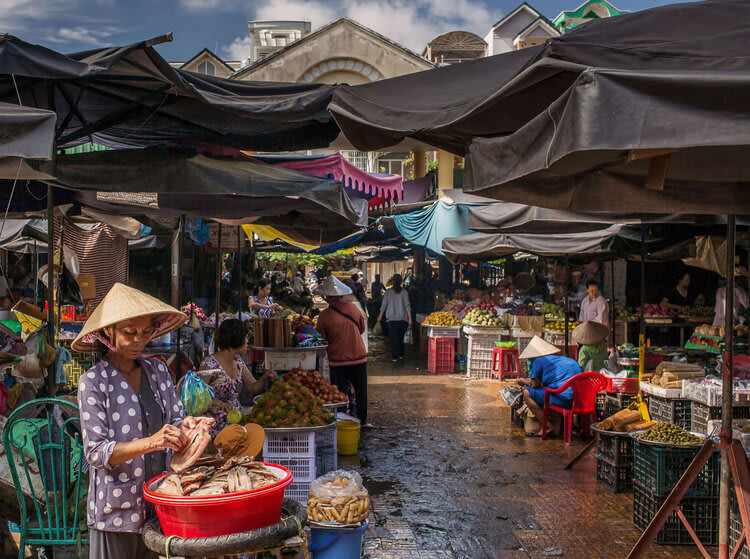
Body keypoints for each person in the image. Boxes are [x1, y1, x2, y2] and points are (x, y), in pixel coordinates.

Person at [74, 283, 213, 559]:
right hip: (115, 513)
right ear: (107, 333)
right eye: (129, 333)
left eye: (145, 331)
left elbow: (174, 419)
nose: (139, 339)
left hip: (160, 505)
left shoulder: (158, 370)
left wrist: (186, 427)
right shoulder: (93, 382)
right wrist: (152, 442)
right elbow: (96, 452)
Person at [200, 319, 276, 435]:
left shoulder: (238, 362)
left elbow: (253, 387)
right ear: (236, 338)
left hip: (236, 420)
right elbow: (199, 396)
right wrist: (220, 404)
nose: (247, 341)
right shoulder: (209, 364)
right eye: (245, 337)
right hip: (213, 425)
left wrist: (265, 377)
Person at [315, 276, 368, 424]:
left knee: (339, 393)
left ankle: (342, 421)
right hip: (359, 357)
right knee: (360, 392)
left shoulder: (324, 315)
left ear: (327, 297)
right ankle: (362, 421)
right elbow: (361, 328)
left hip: (338, 360)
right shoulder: (353, 308)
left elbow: (321, 338)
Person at [516, 336, 583, 436]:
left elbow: (534, 385)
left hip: (565, 399)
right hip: (580, 399)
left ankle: (547, 426)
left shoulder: (538, 361)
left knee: (527, 392)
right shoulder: (566, 359)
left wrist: (522, 381)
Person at [376, 274, 412, 363]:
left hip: (391, 319)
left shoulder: (388, 292)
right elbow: (407, 306)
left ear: (392, 282)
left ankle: (394, 356)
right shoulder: (404, 292)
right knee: (400, 338)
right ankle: (401, 355)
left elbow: (384, 305)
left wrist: (380, 315)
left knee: (393, 338)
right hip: (403, 319)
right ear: (401, 282)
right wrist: (410, 319)